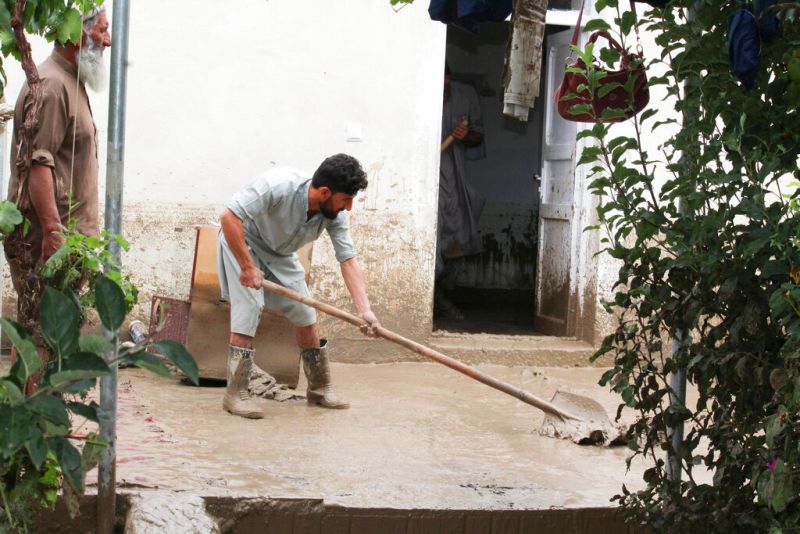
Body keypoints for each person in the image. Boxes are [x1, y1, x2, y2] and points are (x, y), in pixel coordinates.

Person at [218, 154, 380, 419]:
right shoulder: (278, 185)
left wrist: (365, 311)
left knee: (306, 314)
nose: (348, 207)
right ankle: (235, 394)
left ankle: (319, 388)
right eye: (346, 200)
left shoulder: (334, 214)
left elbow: (348, 259)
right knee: (249, 308)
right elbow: (229, 217)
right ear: (325, 192)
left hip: (281, 255)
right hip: (243, 242)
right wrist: (247, 266)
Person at [5, 7, 111, 348]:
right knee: (42, 340)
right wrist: (53, 233)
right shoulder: (53, 85)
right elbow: (39, 163)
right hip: (48, 243)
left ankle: (47, 398)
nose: (108, 41)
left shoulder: (71, 80)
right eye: (102, 31)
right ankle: (37, 401)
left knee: (55, 341)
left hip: (66, 242)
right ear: (77, 34)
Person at [436, 64, 485, 320]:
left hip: (455, 175)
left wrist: (465, 135)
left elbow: (478, 136)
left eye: (443, 83)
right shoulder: (422, 93)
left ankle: (443, 290)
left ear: (448, 79)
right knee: (435, 231)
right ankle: (436, 298)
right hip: (430, 174)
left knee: (462, 227)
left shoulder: (465, 95)